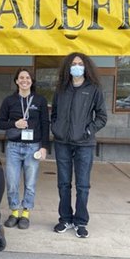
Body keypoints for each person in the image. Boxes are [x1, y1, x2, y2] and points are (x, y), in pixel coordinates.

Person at [51, 52, 107, 238]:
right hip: (62, 143)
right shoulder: (61, 89)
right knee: (63, 183)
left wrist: (88, 131)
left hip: (84, 144)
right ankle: (65, 218)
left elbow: (101, 117)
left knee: (82, 185)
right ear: (68, 67)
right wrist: (56, 128)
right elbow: (55, 114)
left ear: (86, 67)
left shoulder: (94, 89)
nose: (76, 66)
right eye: (73, 63)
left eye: (80, 63)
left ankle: (81, 221)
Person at [0, 68, 50, 230]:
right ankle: (14, 212)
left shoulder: (40, 100)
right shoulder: (9, 101)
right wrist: (15, 124)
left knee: (30, 183)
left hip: (32, 147)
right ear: (16, 81)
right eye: (21, 78)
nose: (24, 80)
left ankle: (25, 214)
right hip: (13, 146)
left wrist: (44, 147)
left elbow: (45, 124)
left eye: (27, 78)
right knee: (12, 182)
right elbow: (0, 123)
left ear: (32, 81)